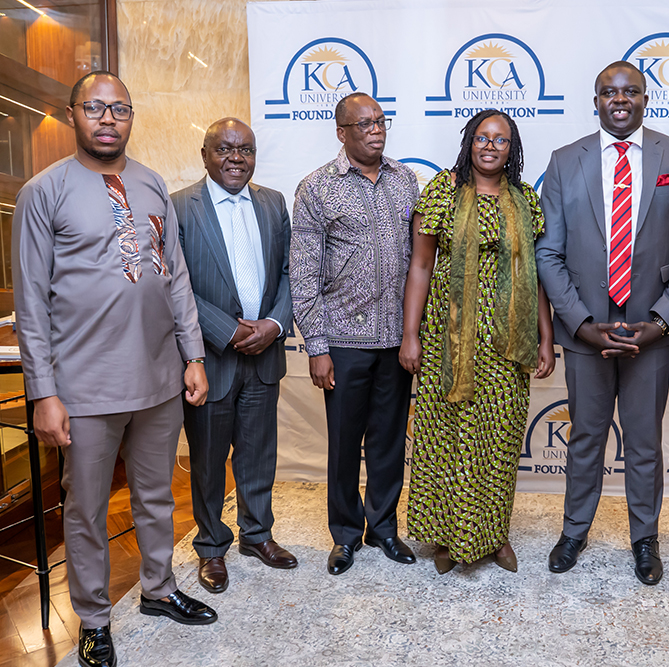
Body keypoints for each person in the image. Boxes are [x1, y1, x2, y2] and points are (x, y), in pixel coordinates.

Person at [12, 71, 217, 667]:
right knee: (86, 508)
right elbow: (30, 301)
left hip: (158, 378)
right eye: (96, 108)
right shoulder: (43, 192)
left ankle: (158, 588)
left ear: (131, 117)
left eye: (119, 109)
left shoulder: (153, 185)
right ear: (74, 114)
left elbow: (175, 277)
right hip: (84, 385)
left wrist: (194, 355)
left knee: (157, 494)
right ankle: (95, 618)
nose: (108, 119)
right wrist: (43, 393)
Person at [535, 61, 669, 585]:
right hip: (586, 330)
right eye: (608, 91)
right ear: (595, 100)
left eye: (629, 91)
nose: (619, 99)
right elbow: (549, 253)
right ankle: (573, 529)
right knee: (585, 435)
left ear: (644, 97)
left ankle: (644, 537)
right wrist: (582, 323)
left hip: (648, 333)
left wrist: (660, 320)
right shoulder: (566, 162)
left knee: (643, 440)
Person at [400, 109, 555, 574]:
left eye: (501, 140)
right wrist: (410, 336)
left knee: (499, 440)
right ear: (470, 142)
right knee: (447, 438)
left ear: (513, 149)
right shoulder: (443, 192)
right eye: (482, 137)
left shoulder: (526, 199)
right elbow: (421, 266)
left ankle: (494, 533)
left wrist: (546, 339)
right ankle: (450, 537)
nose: (490, 146)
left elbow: (537, 278)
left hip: (507, 344)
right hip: (447, 341)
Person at [291, 92, 420, 575]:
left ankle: (383, 527)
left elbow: (421, 263)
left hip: (395, 339)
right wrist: (317, 347)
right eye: (363, 123)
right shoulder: (317, 188)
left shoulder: (406, 181)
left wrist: (415, 333)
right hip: (343, 341)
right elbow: (303, 273)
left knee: (388, 440)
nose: (376, 129)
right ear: (342, 133)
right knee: (345, 443)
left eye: (380, 120)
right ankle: (345, 534)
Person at [172, 118, 297, 595]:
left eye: (244, 149)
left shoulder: (272, 203)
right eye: (223, 149)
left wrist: (275, 325)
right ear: (205, 154)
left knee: (258, 453)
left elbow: (290, 272)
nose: (235, 158)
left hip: (265, 351)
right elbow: (175, 281)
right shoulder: (181, 205)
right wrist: (227, 330)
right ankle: (210, 546)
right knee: (207, 458)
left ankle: (257, 535)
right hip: (209, 356)